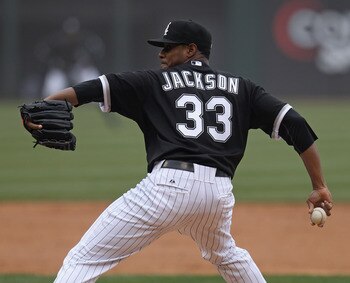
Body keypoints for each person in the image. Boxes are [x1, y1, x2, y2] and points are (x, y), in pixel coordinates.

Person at [26, 20, 333, 283]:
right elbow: (295, 123)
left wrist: (44, 107)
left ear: (190, 50)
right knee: (225, 254)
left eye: (168, 47)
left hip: (167, 187)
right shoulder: (243, 87)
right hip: (217, 193)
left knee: (83, 259)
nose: (161, 53)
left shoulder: (152, 81)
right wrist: (319, 185)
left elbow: (88, 90)